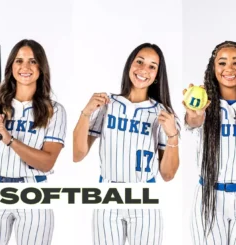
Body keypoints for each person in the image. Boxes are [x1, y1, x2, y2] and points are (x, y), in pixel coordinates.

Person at [73, 43, 180, 245]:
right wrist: (86, 112)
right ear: (129, 65)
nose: (143, 70)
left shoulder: (162, 113)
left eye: (152, 66)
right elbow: (78, 155)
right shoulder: (107, 104)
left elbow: (168, 175)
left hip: (144, 195)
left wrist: (173, 135)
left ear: (157, 75)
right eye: (139, 62)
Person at [0, 39, 67, 245]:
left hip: (34, 190)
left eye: (32, 61)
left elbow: (47, 162)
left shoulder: (54, 110)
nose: (25, 67)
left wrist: (9, 138)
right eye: (19, 61)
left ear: (41, 67)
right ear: (11, 66)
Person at [186, 41, 236, 245]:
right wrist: (195, 114)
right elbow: (193, 122)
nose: (229, 68)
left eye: (235, 62)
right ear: (213, 68)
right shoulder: (204, 102)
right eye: (222, 62)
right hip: (209, 196)